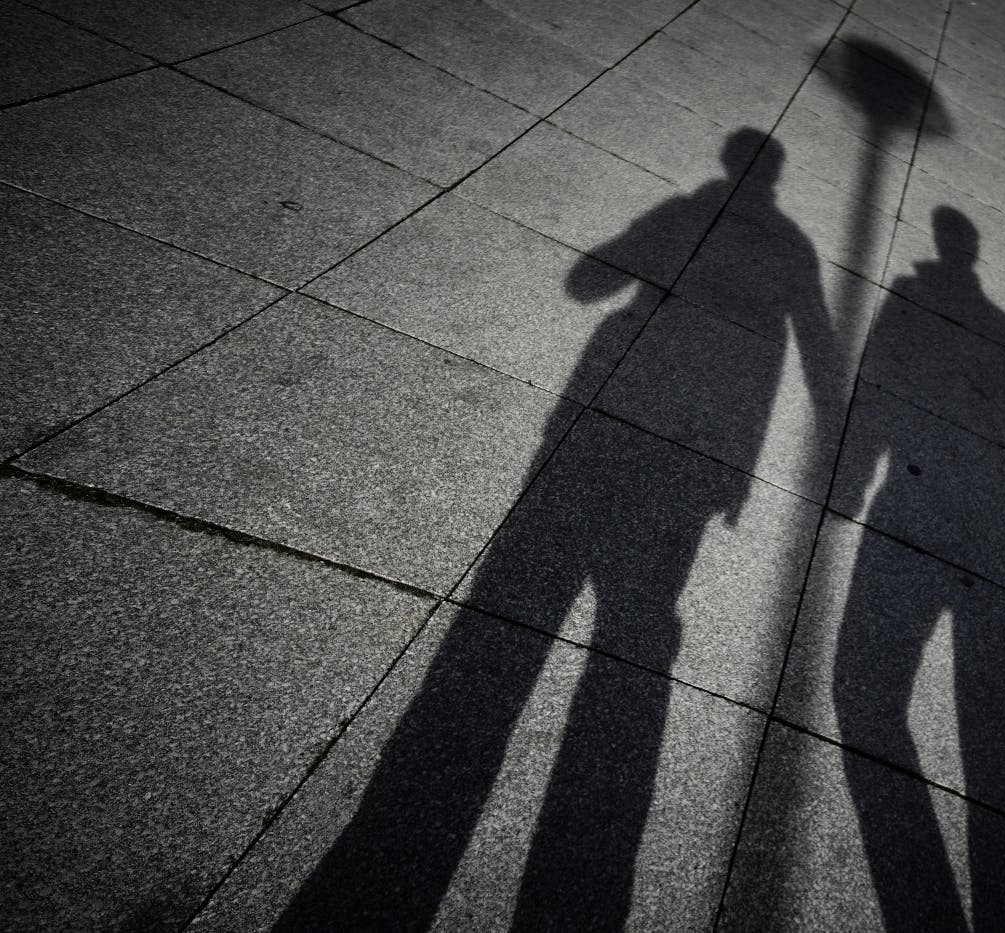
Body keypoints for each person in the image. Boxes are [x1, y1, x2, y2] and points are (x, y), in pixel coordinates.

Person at [274, 128, 845, 931]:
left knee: (508, 619)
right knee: (639, 630)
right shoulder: (794, 249)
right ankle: (591, 844)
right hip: (699, 455)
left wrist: (655, 267)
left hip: (607, 421)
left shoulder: (684, 213)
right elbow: (819, 353)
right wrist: (828, 458)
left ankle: (416, 813)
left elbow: (586, 282)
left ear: (727, 166)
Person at [832, 206, 1005, 931]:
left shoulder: (907, 302)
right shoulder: (1004, 328)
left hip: (910, 506)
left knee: (863, 693)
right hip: (997, 535)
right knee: (987, 723)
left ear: (940, 249)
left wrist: (845, 486)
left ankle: (920, 909)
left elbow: (872, 396)